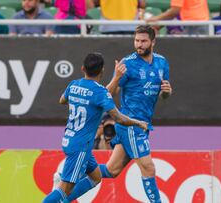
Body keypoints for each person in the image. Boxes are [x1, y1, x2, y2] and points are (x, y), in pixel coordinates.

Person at [62, 25, 172, 203]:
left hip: (144, 124)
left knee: (111, 171)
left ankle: (63, 193)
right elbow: (108, 93)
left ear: (153, 41)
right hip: (130, 124)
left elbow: (163, 94)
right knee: (148, 168)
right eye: (137, 40)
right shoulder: (127, 64)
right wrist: (116, 78)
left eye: (143, 41)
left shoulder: (161, 63)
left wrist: (166, 92)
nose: (139, 44)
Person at [42, 53, 148, 203]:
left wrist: (81, 101)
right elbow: (118, 118)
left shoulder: (74, 85)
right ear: (102, 71)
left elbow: (62, 100)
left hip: (70, 140)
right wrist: (138, 123)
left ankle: (63, 199)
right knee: (65, 188)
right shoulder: (100, 92)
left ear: (82, 68)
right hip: (80, 146)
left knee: (96, 177)